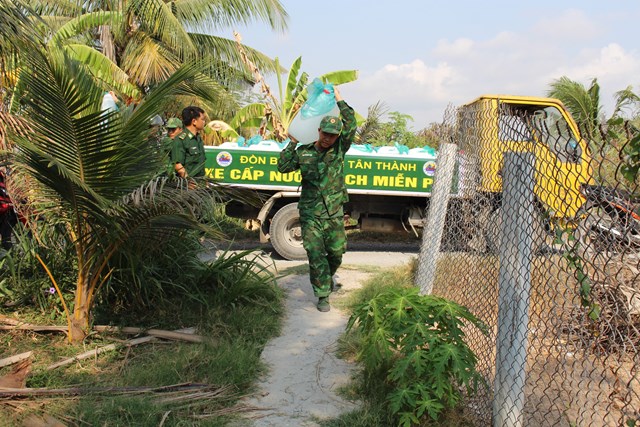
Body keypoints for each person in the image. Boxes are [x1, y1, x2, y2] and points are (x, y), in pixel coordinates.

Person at [277, 86, 356, 312]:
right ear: (318, 130)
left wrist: (339, 99)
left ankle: (327, 276)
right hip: (311, 213)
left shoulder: (339, 149)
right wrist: (292, 142)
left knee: (336, 252)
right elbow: (283, 167)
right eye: (325, 133)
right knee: (314, 252)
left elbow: (351, 124)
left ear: (337, 136)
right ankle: (322, 294)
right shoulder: (304, 151)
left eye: (332, 135)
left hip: (333, 212)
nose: (327, 138)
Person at [172, 106, 206, 179]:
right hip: (188, 186)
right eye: (202, 119)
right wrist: (189, 182)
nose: (204, 122)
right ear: (194, 121)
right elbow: (178, 165)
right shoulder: (181, 139)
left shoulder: (198, 138)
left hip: (200, 183)